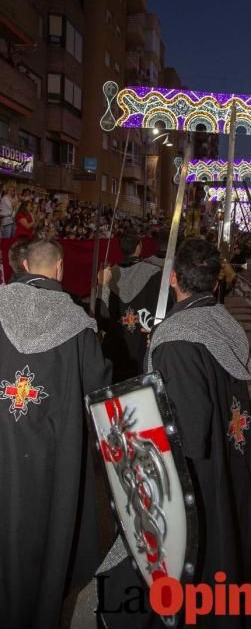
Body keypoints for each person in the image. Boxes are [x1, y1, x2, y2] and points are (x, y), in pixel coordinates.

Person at [98, 239, 251, 628]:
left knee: (201, 562)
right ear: (214, 284)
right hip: (233, 453)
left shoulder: (177, 339)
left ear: (173, 278)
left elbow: (189, 432)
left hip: (199, 474)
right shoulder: (222, 319)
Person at [0, 239, 112, 629]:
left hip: (5, 450)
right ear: (60, 268)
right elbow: (99, 387)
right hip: (53, 454)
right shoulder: (75, 321)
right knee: (47, 537)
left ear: (24, 264)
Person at [96, 232, 166, 381]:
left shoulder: (109, 275)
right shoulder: (154, 273)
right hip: (143, 342)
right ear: (139, 246)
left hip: (117, 346)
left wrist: (102, 286)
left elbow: (102, 317)